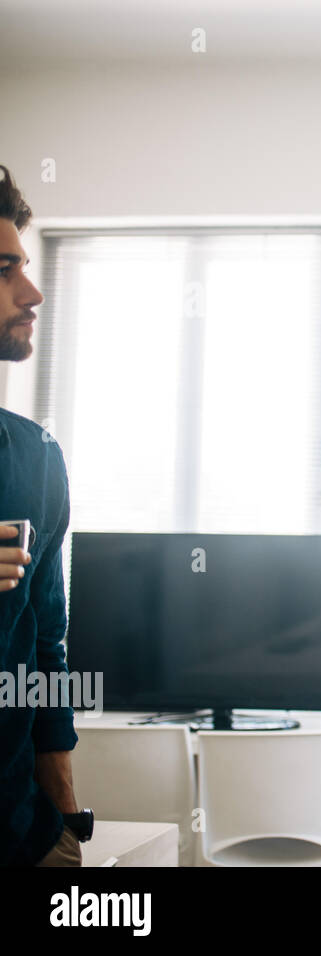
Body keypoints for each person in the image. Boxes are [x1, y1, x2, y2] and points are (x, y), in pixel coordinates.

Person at [0, 164, 83, 867]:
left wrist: (65, 812)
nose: (33, 291)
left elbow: (44, 646)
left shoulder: (37, 458)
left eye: (24, 265)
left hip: (23, 837)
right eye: (5, 271)